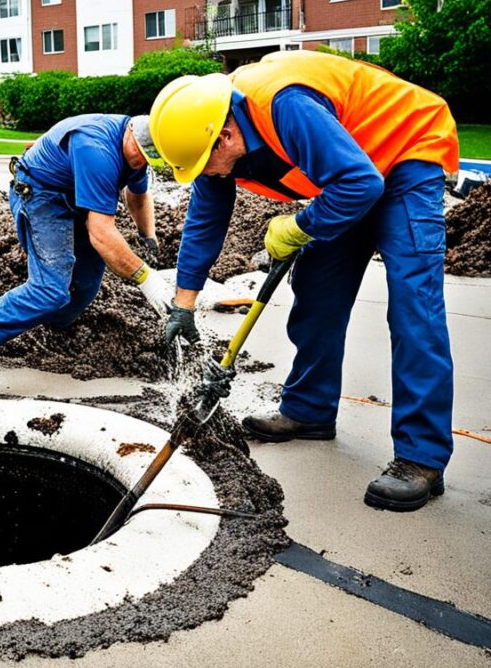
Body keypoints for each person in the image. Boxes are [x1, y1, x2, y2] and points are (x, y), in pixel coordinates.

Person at [149, 50, 458, 512]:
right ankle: (309, 410)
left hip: (404, 153)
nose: (206, 175)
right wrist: (184, 303)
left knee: (415, 307)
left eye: (204, 165)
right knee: (316, 290)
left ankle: (422, 458)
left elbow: (363, 184)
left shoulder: (284, 105)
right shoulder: (211, 131)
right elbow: (205, 220)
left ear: (226, 136)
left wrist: (298, 226)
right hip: (349, 175)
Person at [0, 113, 170, 376]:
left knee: (86, 285)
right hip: (42, 194)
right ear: (130, 130)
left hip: (76, 198)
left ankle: (51, 329)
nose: (140, 160)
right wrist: (146, 278)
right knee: (51, 289)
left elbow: (138, 195)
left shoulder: (136, 156)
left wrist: (149, 237)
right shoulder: (96, 149)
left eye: (148, 158)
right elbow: (101, 234)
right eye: (139, 152)